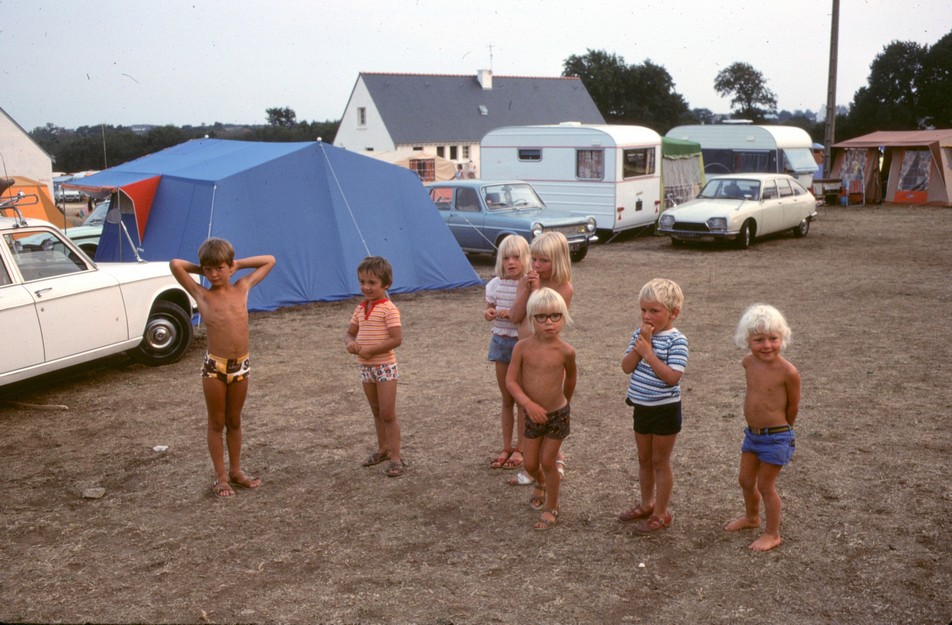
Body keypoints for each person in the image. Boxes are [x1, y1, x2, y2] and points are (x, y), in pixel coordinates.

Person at [169, 239, 276, 498]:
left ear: (230, 267)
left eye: (219, 268)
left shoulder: (242, 286)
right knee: (216, 422)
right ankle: (220, 477)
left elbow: (269, 260)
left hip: (241, 366)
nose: (213, 275)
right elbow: (175, 264)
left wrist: (236, 265)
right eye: (208, 270)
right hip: (214, 368)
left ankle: (236, 471)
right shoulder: (201, 294)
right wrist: (203, 267)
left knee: (234, 421)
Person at [724, 304, 801, 551]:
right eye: (759, 340)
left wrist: (783, 431)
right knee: (746, 480)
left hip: (777, 437)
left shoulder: (788, 372)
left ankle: (772, 533)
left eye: (773, 339)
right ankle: (752, 517)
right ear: (747, 341)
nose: (767, 345)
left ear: (782, 338)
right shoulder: (748, 363)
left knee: (765, 486)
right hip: (753, 436)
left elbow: (793, 408)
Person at [618, 278, 688, 534]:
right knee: (644, 458)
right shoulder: (640, 335)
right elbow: (626, 367)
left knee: (660, 461)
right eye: (643, 310)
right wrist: (640, 348)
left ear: (673, 313)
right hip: (641, 405)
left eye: (654, 311)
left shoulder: (677, 341)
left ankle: (662, 512)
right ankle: (647, 503)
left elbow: (672, 377)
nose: (647, 316)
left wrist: (649, 353)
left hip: (665, 410)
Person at [506, 287, 576, 530]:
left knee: (548, 461)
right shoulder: (522, 348)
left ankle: (552, 507)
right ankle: (540, 483)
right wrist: (527, 404)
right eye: (542, 317)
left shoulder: (566, 351)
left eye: (556, 316)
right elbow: (511, 381)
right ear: (531, 317)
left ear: (564, 316)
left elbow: (571, 379)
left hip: (557, 414)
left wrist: (564, 402)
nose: (549, 322)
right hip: (532, 414)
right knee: (530, 464)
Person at [507, 232, 574, 486]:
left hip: (549, 356)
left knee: (551, 408)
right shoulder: (526, 280)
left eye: (543, 260)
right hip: (525, 353)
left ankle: (555, 457)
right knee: (528, 407)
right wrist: (527, 289)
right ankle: (529, 459)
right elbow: (515, 317)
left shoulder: (564, 288)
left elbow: (543, 323)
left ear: (557, 261)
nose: (535, 265)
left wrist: (536, 291)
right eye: (533, 259)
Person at [345, 256, 406, 477]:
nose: (366, 287)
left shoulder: (389, 309)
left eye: (372, 283)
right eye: (362, 282)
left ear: (385, 284)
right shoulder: (361, 308)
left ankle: (396, 457)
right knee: (376, 411)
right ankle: (383, 448)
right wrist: (351, 343)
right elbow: (350, 332)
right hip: (366, 368)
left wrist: (372, 350)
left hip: (384, 367)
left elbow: (396, 338)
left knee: (388, 412)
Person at [484, 235, 530, 470]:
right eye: (506, 257)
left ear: (526, 259)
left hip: (520, 345)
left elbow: (521, 314)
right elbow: (489, 310)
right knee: (506, 398)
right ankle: (505, 445)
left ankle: (521, 448)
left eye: (516, 257)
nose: (511, 262)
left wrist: (506, 312)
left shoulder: (528, 285)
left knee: (521, 398)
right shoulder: (494, 284)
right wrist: (491, 313)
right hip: (501, 341)